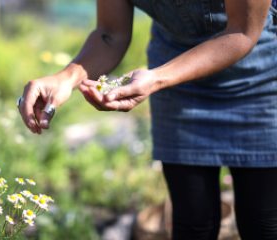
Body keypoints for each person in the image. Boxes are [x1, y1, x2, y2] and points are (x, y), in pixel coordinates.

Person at [17, 0, 277, 239]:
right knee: (193, 223)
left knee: (264, 223)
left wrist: (157, 78)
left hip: (259, 74)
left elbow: (242, 32)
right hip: (177, 76)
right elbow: (111, 33)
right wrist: (65, 78)